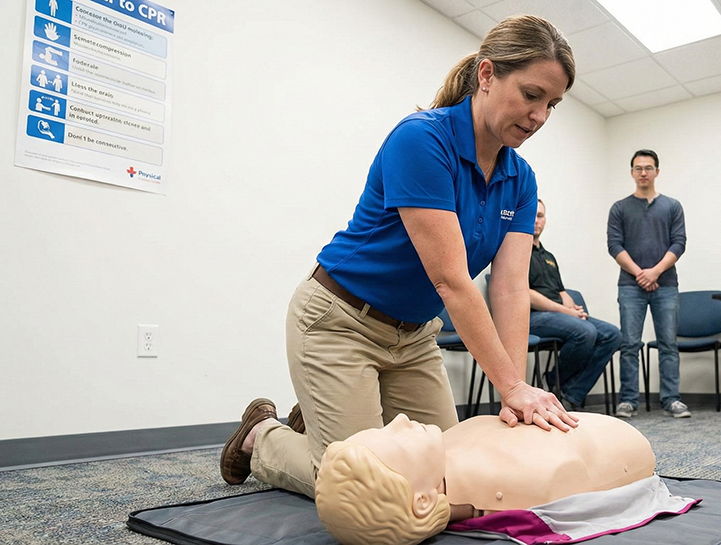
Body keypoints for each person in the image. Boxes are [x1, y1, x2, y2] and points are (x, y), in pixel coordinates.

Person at [219, 15, 581, 496]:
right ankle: (261, 436)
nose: (539, 116)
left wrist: (511, 391)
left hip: (413, 340)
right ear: (488, 75)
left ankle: (328, 420)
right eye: (532, 95)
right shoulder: (423, 139)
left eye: (552, 104)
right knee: (368, 488)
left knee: (448, 478)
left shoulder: (521, 177)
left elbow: (510, 287)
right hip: (339, 321)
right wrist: (514, 386)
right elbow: (452, 280)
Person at [314, 411, 697, 545]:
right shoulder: (521, 480)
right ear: (423, 500)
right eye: (393, 440)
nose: (398, 421)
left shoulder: (447, 452)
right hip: (617, 444)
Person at [607, 149, 689, 419]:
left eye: (649, 167)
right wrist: (640, 274)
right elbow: (614, 244)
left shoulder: (672, 206)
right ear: (632, 172)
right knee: (629, 344)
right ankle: (628, 400)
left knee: (668, 343)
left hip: (666, 285)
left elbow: (679, 242)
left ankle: (671, 399)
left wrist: (654, 272)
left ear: (657, 171)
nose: (643, 172)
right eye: (638, 168)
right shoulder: (619, 208)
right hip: (630, 287)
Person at [528, 199, 621, 410]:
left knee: (612, 335)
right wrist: (566, 311)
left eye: (540, 216)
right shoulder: (515, 251)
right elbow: (525, 294)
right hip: (532, 317)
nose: (536, 220)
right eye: (532, 215)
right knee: (585, 332)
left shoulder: (549, 256)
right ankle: (556, 384)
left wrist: (573, 309)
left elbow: (561, 292)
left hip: (557, 315)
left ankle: (570, 392)